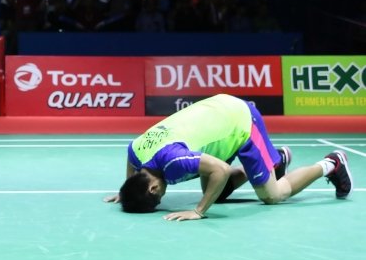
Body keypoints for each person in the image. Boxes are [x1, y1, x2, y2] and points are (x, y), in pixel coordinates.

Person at [104, 94, 353, 221]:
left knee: (272, 195)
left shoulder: (173, 161)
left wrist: (199, 211)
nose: (162, 197)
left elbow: (221, 170)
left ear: (153, 187)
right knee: (217, 193)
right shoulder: (139, 150)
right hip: (217, 113)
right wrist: (127, 190)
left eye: (158, 198)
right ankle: (274, 161)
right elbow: (130, 152)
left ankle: (332, 163)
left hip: (241, 121)